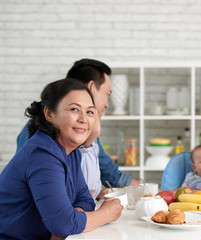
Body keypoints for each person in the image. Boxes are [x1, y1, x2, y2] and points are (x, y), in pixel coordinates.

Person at [0, 79, 123, 239]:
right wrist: (104, 214)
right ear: (49, 113)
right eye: (74, 109)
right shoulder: (42, 154)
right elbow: (63, 224)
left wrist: (72, 218)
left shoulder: (71, 152)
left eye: (90, 112)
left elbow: (85, 199)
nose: (83, 119)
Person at [16, 58, 140, 199]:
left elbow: (105, 172)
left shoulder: (83, 131)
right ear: (91, 87)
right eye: (107, 95)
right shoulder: (40, 133)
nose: (107, 105)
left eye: (88, 112)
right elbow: (37, 188)